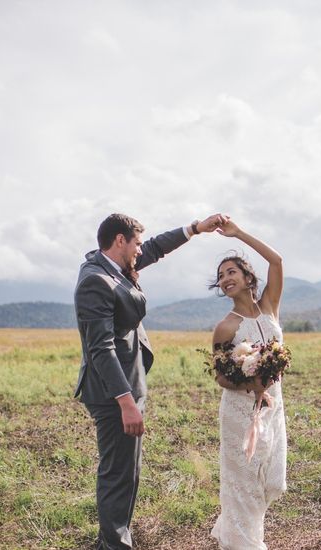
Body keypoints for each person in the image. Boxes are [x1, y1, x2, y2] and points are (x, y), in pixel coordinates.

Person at [74, 212, 227, 550]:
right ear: (119, 241)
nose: (141, 251)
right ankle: (114, 545)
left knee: (128, 472)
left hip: (129, 383)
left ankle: (113, 539)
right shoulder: (95, 281)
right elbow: (100, 349)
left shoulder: (113, 268)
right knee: (118, 474)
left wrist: (196, 229)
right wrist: (126, 402)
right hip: (114, 392)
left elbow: (156, 247)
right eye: (136, 244)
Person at [209, 219, 287, 550]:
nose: (225, 279)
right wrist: (251, 386)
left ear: (246, 277)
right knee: (244, 484)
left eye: (231, 272)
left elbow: (277, 261)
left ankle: (231, 530)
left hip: (274, 408)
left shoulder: (269, 307)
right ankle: (244, 544)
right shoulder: (226, 327)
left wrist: (238, 234)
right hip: (241, 413)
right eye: (221, 275)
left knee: (272, 482)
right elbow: (221, 375)